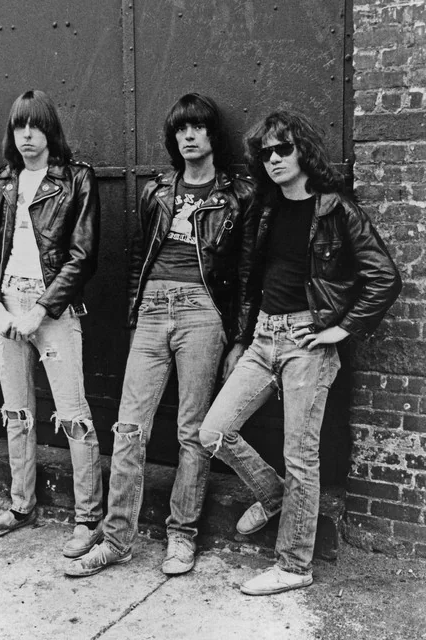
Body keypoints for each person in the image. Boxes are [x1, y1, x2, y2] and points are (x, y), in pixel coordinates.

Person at [198, 110, 402, 595]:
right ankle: (274, 498)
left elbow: (384, 277)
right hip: (264, 337)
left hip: (307, 344)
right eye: (265, 152)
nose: (273, 159)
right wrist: (245, 337)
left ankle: (293, 566)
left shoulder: (335, 209)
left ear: (303, 151)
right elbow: (253, 280)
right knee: (213, 431)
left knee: (301, 457)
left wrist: (341, 330)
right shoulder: (265, 207)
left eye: (282, 149)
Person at [66, 93, 254, 577]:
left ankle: (182, 536)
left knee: (192, 432)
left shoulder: (237, 195)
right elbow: (137, 256)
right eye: (180, 129)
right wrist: (136, 310)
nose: (188, 136)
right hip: (152, 309)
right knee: (129, 428)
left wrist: (238, 337)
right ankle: (116, 539)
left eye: (197, 128)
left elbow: (248, 270)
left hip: (203, 313)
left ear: (212, 135)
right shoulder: (157, 191)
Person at [0, 90, 103, 557]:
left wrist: (39, 311)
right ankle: (21, 505)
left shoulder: (75, 180)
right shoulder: (0, 182)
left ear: (49, 130)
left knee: (73, 414)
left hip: (52, 308)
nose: (26, 135)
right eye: (18, 127)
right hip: (7, 305)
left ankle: (88, 518)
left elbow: (82, 257)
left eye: (34, 126)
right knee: (16, 413)